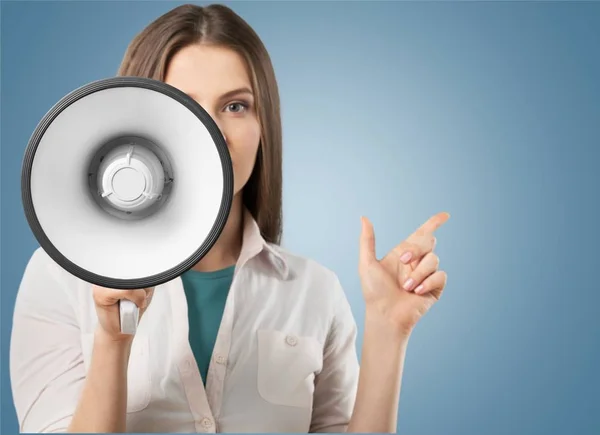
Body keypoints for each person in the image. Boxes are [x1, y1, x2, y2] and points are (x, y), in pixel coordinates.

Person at [10, 3, 450, 433]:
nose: (210, 132)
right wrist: (113, 339)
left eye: (235, 106)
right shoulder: (62, 276)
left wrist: (389, 331)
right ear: (138, 118)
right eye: (184, 104)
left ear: (264, 126)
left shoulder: (314, 292)